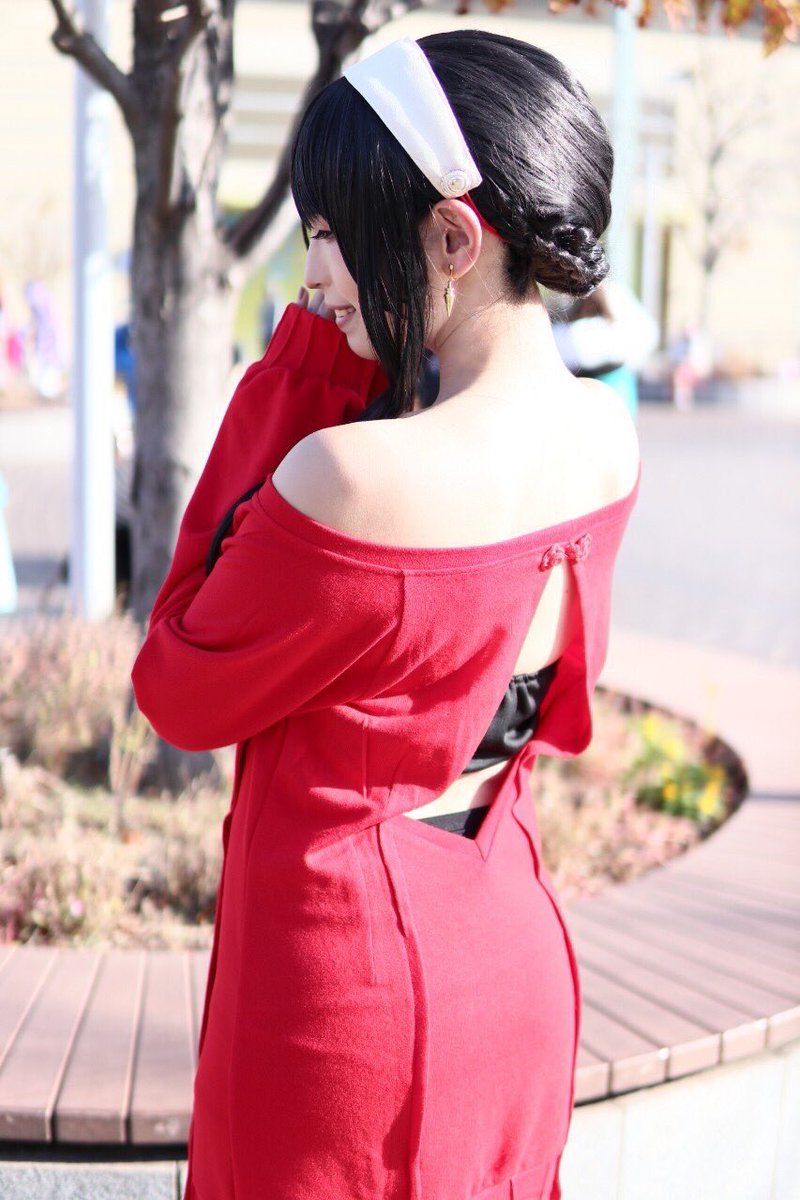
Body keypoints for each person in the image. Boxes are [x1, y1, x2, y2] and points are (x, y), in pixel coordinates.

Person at [132, 30, 640, 1200]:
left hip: (343, 1006)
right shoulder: (607, 441)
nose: (312, 275)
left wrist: (314, 366)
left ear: (452, 238)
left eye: (329, 231)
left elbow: (178, 682)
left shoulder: (351, 476)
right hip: (509, 957)